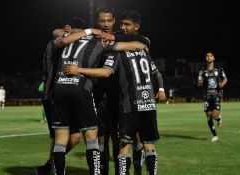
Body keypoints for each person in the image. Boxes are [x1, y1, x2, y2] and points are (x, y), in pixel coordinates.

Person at [64, 10, 165, 175]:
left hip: (121, 99)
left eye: (109, 20)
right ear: (97, 22)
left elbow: (142, 43)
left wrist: (114, 41)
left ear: (113, 21)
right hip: (100, 98)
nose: (105, 24)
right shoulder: (94, 38)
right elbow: (58, 34)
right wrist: (71, 31)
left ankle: (135, 170)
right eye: (102, 20)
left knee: (125, 142)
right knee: (103, 141)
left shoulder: (119, 41)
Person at [51, 17, 147, 175]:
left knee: (60, 140)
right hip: (80, 87)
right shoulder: (97, 41)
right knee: (91, 137)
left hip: (59, 88)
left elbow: (56, 33)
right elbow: (137, 46)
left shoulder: (64, 39)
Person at [35, 20, 83, 175]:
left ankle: (50, 165)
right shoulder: (56, 44)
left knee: (75, 138)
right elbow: (56, 32)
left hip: (70, 96)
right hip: (53, 95)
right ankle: (53, 169)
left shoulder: (76, 47)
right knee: (58, 136)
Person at [198, 51, 228, 142]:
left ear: (213, 58)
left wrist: (222, 84)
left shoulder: (219, 70)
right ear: (206, 58)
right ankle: (215, 135)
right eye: (207, 56)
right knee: (208, 116)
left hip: (216, 95)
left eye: (210, 56)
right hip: (206, 96)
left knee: (215, 115)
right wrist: (200, 82)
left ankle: (219, 119)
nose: (209, 57)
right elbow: (199, 81)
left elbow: (225, 78)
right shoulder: (202, 71)